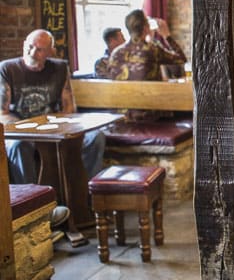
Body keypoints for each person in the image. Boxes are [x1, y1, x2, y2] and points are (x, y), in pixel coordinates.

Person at [1, 29, 106, 185]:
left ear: (50, 52)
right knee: (18, 145)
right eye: (29, 47)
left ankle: (86, 191)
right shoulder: (7, 69)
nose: (32, 52)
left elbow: (69, 108)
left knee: (95, 137)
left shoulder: (60, 68)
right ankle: (32, 200)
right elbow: (3, 113)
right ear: (24, 45)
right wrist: (31, 129)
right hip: (22, 131)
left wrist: (58, 128)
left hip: (54, 129)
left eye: (40, 49)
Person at [107, 10, 187, 120]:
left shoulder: (115, 53)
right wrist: (166, 35)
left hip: (120, 115)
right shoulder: (151, 49)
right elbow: (181, 59)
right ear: (145, 28)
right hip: (147, 115)